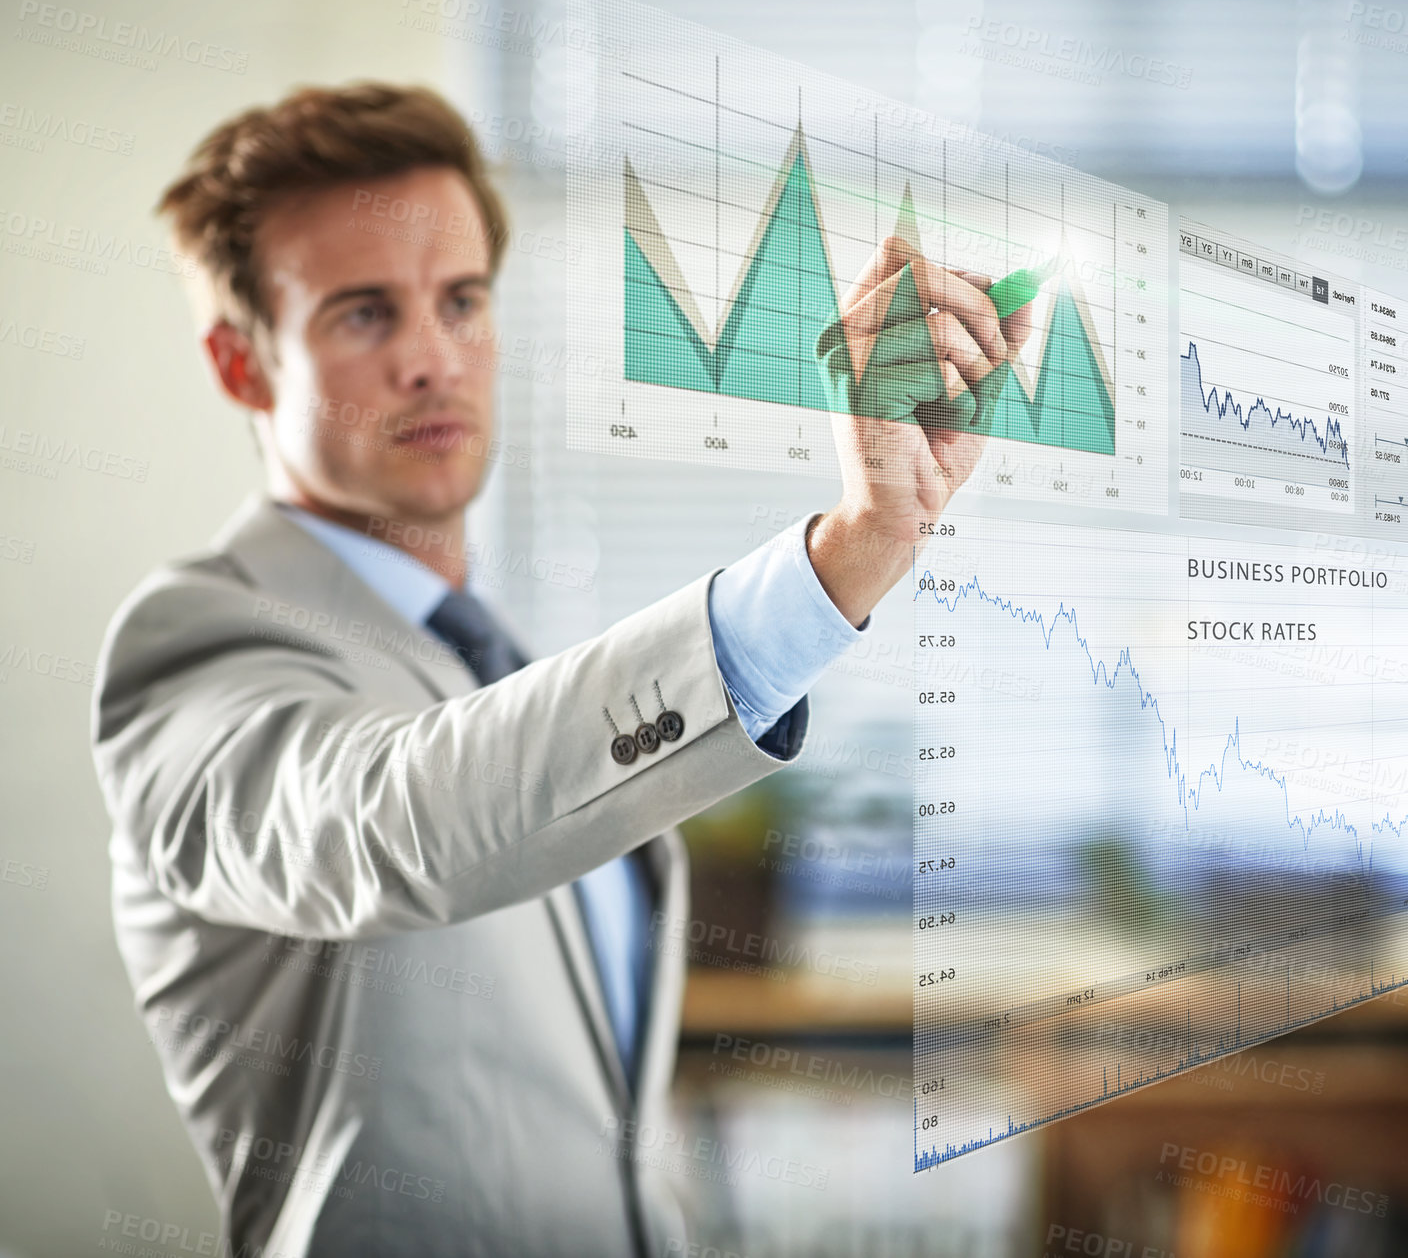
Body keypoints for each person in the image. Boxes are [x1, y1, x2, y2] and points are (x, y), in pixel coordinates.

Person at [89, 82, 1033, 1256]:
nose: (435, 359)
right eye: (364, 314)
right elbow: (391, 821)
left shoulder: (482, 661)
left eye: (462, 299)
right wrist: (843, 559)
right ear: (241, 362)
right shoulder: (197, 644)